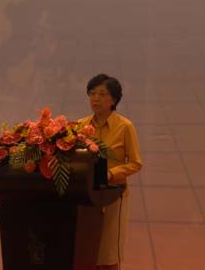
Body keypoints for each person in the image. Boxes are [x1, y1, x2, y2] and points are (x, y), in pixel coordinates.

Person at [79, 74, 142, 270]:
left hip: (114, 195)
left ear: (113, 100)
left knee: (108, 255)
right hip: (86, 197)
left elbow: (135, 163)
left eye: (102, 94)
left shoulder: (125, 126)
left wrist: (110, 174)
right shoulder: (80, 126)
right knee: (86, 253)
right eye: (92, 93)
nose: (95, 98)